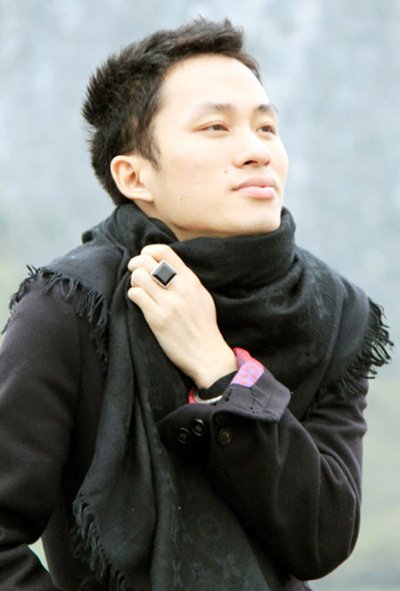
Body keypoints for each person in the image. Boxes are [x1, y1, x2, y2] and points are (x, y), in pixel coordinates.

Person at [0, 18, 392, 591]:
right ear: (135, 176)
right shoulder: (71, 307)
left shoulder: (332, 314)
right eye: (215, 127)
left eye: (266, 127)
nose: (256, 151)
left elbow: (321, 538)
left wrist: (223, 373)